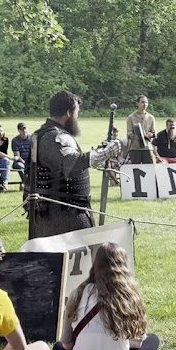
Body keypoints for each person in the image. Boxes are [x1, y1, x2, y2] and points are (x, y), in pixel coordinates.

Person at [52, 243, 160, 350]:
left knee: (58, 348)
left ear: (95, 264)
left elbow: (67, 344)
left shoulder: (77, 293)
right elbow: (138, 342)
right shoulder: (129, 296)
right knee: (152, 340)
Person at [27, 91, 122, 239]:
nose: (78, 117)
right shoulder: (55, 137)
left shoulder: (44, 134)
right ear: (68, 112)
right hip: (63, 215)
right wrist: (105, 153)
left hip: (60, 212)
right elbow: (72, 164)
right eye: (77, 112)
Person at [125, 95, 157, 165]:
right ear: (137, 104)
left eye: (146, 102)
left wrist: (151, 134)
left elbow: (154, 133)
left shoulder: (151, 118)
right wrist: (134, 136)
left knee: (149, 170)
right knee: (136, 170)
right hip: (135, 149)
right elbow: (129, 133)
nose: (145, 104)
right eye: (142, 102)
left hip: (147, 148)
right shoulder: (130, 117)